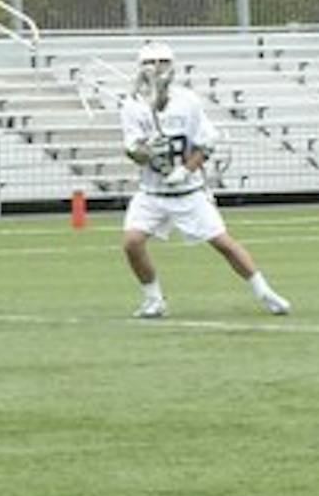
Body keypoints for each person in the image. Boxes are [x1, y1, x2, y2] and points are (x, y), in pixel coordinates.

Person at [119, 40, 291, 320]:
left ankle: (265, 293)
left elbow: (206, 144)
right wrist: (146, 151)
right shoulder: (132, 106)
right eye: (150, 63)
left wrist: (185, 171)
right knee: (132, 243)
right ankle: (153, 300)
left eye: (162, 62)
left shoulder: (188, 101)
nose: (156, 69)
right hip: (151, 192)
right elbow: (134, 151)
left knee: (224, 243)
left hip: (188, 192)